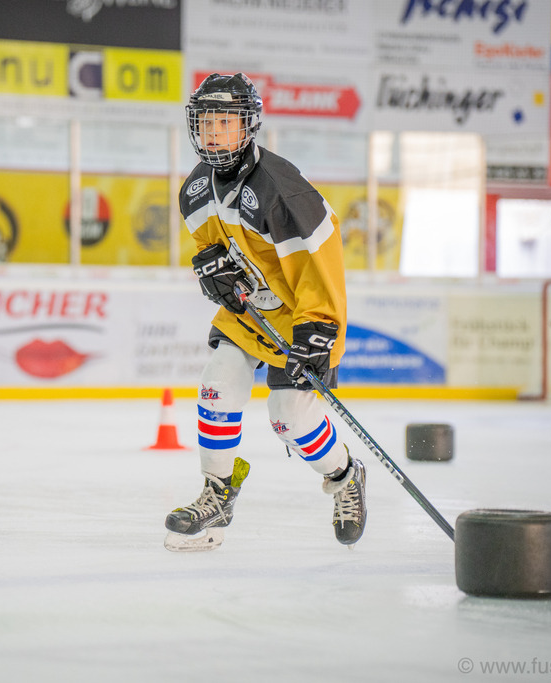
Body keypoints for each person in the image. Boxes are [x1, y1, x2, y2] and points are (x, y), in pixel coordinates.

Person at [163, 73, 365, 552]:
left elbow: (323, 264)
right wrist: (212, 270)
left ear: (248, 126)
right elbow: (211, 248)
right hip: (253, 311)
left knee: (289, 418)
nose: (214, 133)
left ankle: (345, 476)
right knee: (218, 383)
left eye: (225, 122)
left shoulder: (280, 190)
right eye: (206, 122)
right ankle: (218, 493)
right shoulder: (194, 190)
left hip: (304, 314)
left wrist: (317, 329)